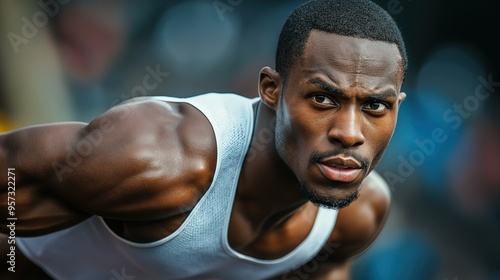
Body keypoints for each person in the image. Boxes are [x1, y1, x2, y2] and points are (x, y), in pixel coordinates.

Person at [0, 0, 407, 279]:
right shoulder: (160, 158)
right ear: (271, 90)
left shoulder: (358, 215)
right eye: (322, 98)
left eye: (375, 107)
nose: (350, 133)